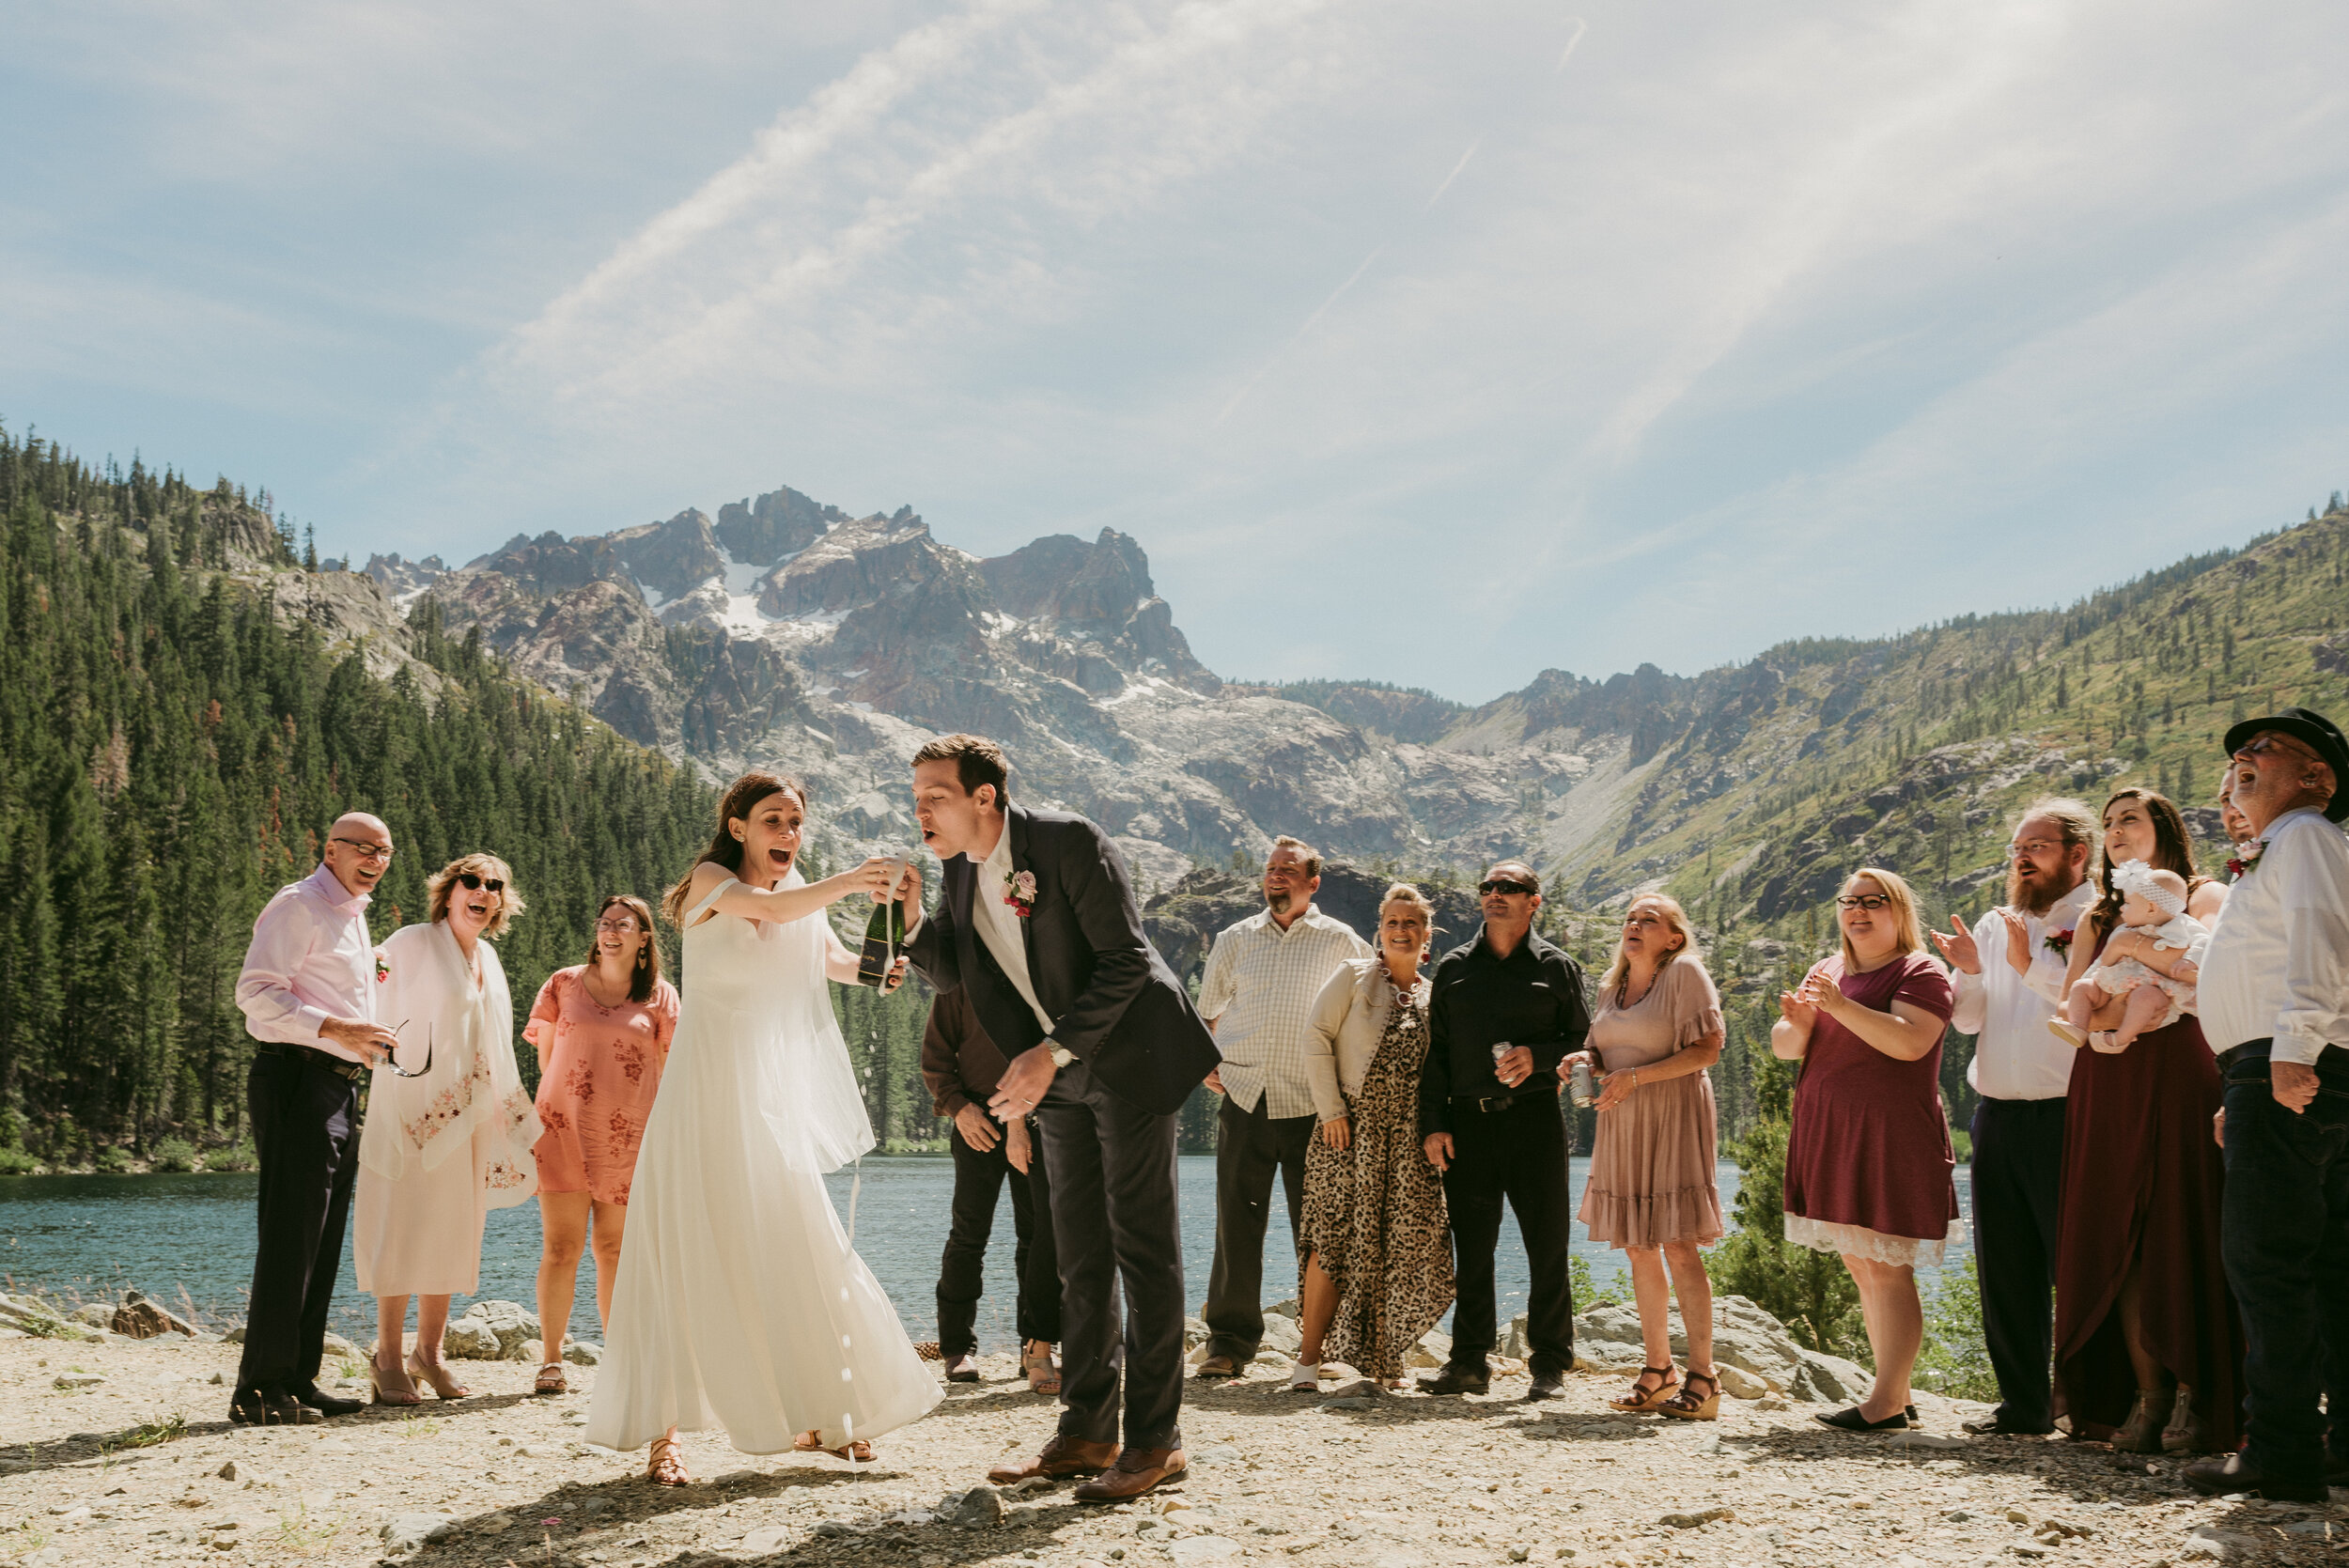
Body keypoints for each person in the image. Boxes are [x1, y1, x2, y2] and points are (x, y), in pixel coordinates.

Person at [585, 772, 940, 1485]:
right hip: (704, 1091)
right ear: (739, 825)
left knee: (798, 1238)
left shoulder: (799, 889)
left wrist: (882, 958)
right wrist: (849, 880)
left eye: (796, 822)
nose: (787, 833)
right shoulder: (708, 882)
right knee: (679, 1249)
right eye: (773, 820)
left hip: (767, 1103)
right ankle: (664, 1437)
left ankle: (827, 1412)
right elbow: (768, 914)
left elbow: (830, 960)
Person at [903, 734, 1220, 1502]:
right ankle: (1085, 1432)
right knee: (1077, 1254)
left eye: (934, 796)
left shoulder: (1068, 841)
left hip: (1130, 1057)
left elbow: (1128, 961)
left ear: (986, 797)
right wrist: (913, 916)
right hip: (1061, 1077)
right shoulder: (958, 865)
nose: (920, 813)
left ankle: (1155, 1442)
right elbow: (952, 970)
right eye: (914, 799)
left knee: (1143, 1248)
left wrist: (1050, 1053)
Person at [2038, 787, 2236, 1455]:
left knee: (2178, 1222)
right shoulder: (2100, 915)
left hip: (2180, 1065)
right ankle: (2145, 1394)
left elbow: (2211, 977)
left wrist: (2139, 955)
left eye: (2131, 818)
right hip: (2107, 1072)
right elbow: (2078, 1000)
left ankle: (2197, 1395)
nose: (2117, 830)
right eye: (2110, 821)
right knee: (2114, 1228)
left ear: (2165, 830)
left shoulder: (2205, 896)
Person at [2185, 708, 2349, 1502]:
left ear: (2316, 777)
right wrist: (2244, 1076)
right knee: (2326, 1262)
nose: (2241, 759)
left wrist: (2286, 1053)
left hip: (2286, 1062)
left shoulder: (2309, 836)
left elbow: (2322, 937)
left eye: (2263, 749)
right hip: (2272, 1064)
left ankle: (2282, 1450)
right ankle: (2336, 1442)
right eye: (2238, 753)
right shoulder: (2285, 847)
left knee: (2265, 1259)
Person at [1927, 800, 2095, 1437]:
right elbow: (1969, 1020)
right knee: (2007, 1269)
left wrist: (2030, 962)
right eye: (2017, 847)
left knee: (2073, 1263)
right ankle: (2022, 1406)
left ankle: (2090, 1406)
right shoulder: (1998, 924)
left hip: (2069, 1114)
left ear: (2077, 854)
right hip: (1994, 1113)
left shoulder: (2097, 917)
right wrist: (1970, 968)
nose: (2022, 857)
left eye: (2038, 846)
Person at [228, 812, 402, 1425]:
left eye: (385, 851)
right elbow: (256, 994)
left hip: (337, 1086)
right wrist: (339, 1028)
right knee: (289, 1239)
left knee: (321, 1239)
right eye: (364, 847)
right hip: (296, 1078)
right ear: (330, 848)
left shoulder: (351, 915)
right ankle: (258, 1389)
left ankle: (297, 1377)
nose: (376, 859)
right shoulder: (299, 904)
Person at [354, 853, 543, 1405]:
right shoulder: (411, 942)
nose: (483, 892)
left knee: (453, 1232)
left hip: (470, 1119)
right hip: (411, 1109)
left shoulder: (487, 957)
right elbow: (367, 982)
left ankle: (429, 1354)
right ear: (449, 888)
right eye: (473, 882)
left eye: (495, 886)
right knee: (402, 1225)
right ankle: (388, 1357)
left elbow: (495, 1040)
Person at [1780, 867, 1960, 1433]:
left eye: (1872, 901)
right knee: (1862, 1264)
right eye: (1848, 901)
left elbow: (1909, 1043)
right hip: (1831, 1131)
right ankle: (1893, 1395)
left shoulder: (1921, 971)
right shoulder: (1827, 970)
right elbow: (1788, 1048)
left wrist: (1836, 1008)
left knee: (1888, 1267)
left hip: (1889, 1136)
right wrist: (1802, 1020)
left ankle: (1886, 1401)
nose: (1857, 911)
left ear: (1899, 910)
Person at [1193, 836, 1371, 1380]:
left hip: (1315, 1108)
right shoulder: (1235, 939)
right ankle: (1229, 1343)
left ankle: (1324, 1349)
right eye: (1270, 870)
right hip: (1245, 1099)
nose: (1275, 878)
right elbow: (1206, 1012)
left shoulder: (1343, 942)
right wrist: (1207, 1061)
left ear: (1312, 883)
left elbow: (1370, 1013)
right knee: (1236, 1227)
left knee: (1317, 1231)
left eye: (1287, 871)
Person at [1418, 861, 1591, 1401]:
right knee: (1473, 1249)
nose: (1495, 895)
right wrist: (1434, 1124)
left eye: (1509, 888)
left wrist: (1537, 1057)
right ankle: (1468, 1363)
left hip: (1535, 1119)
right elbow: (1436, 1054)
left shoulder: (1557, 968)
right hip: (1468, 1124)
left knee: (1547, 1244)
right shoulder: (1453, 967)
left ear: (1533, 901)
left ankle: (1548, 1365)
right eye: (1488, 887)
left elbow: (1585, 1042)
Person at [1568, 894, 1728, 1420]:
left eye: (1649, 920)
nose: (1634, 926)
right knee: (1639, 1246)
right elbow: (1601, 1049)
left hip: (1674, 1115)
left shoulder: (1685, 972)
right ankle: (1658, 1371)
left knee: (1680, 1243)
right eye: (1630, 919)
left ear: (1673, 938)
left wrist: (1637, 1077)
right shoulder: (1611, 987)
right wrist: (1581, 1061)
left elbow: (1709, 1048)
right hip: (1622, 1120)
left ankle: (1704, 1379)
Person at [1293, 883, 1452, 1389]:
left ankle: (1384, 1361)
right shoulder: (1353, 976)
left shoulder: (1434, 995)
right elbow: (1314, 1037)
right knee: (1332, 1237)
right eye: (1392, 923)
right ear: (1378, 932)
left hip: (1408, 1143)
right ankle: (1308, 1360)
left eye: (1412, 923)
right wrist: (1332, 1110)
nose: (1401, 931)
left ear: (1427, 936)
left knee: (1399, 1243)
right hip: (1347, 1132)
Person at [523, 893, 680, 1395]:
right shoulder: (563, 984)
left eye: (624, 924)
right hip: (562, 1131)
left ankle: (617, 1360)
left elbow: (669, 1064)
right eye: (605, 922)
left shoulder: (661, 997)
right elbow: (548, 1059)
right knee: (560, 1248)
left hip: (629, 1137)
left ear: (643, 938)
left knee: (614, 1250)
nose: (611, 931)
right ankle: (551, 1360)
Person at [922, 983, 1062, 1393]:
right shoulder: (957, 983)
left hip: (1037, 1117)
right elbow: (936, 1059)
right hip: (976, 1117)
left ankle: (1034, 1346)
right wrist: (959, 1109)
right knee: (968, 1235)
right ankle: (957, 1347)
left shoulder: (1036, 975)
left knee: (1037, 1238)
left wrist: (1020, 1120)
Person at [2052, 862, 2208, 1053]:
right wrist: (2093, 978)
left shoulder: (2183, 925)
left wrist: (2189, 960)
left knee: (2144, 997)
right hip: (2113, 985)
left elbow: (2205, 942)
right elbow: (2101, 962)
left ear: (2151, 908)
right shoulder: (2125, 930)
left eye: (2127, 903)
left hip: (2157, 989)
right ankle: (2078, 1027)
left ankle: (2120, 1038)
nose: (2122, 909)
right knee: (2080, 987)